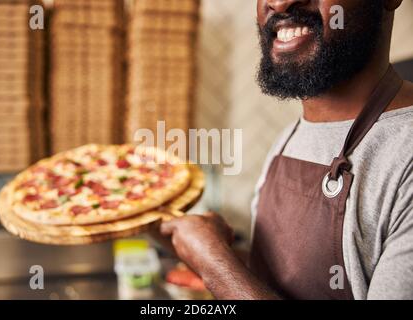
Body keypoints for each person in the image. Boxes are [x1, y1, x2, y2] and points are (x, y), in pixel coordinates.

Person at [158, 0, 413, 300]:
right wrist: (186, 238)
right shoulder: (291, 138)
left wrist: (214, 263)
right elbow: (284, 282)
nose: (279, 3)